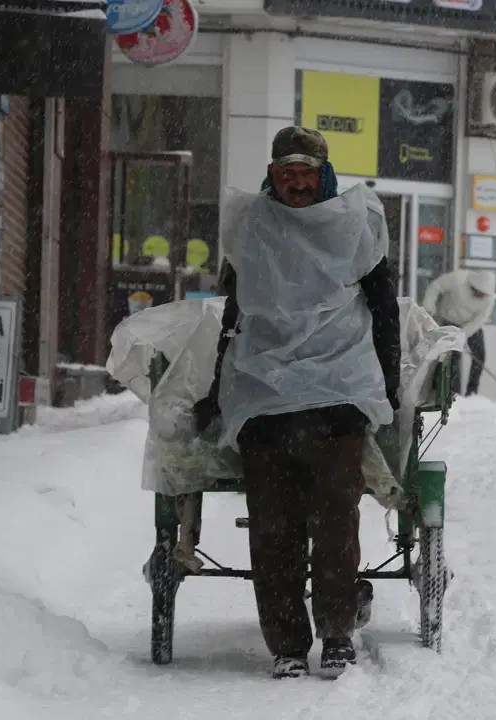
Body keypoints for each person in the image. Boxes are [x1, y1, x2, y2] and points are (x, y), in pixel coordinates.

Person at [194, 126, 401, 680]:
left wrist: (389, 381)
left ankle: (336, 635)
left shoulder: (356, 226)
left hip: (337, 395)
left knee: (336, 519)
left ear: (323, 174)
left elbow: (383, 307)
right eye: (286, 173)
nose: (296, 183)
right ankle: (287, 644)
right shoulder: (251, 229)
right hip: (265, 399)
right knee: (274, 526)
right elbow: (233, 317)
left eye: (306, 172)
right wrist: (217, 390)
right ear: (272, 176)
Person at [422, 269, 496, 395]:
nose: (480, 295)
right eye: (478, 292)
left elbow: (479, 320)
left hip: (470, 326)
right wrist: (429, 307)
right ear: (473, 285)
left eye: (483, 294)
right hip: (448, 321)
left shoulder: (489, 300)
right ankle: (451, 392)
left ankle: (471, 392)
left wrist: (463, 334)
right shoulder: (458, 279)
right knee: (453, 358)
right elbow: (435, 287)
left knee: (480, 356)